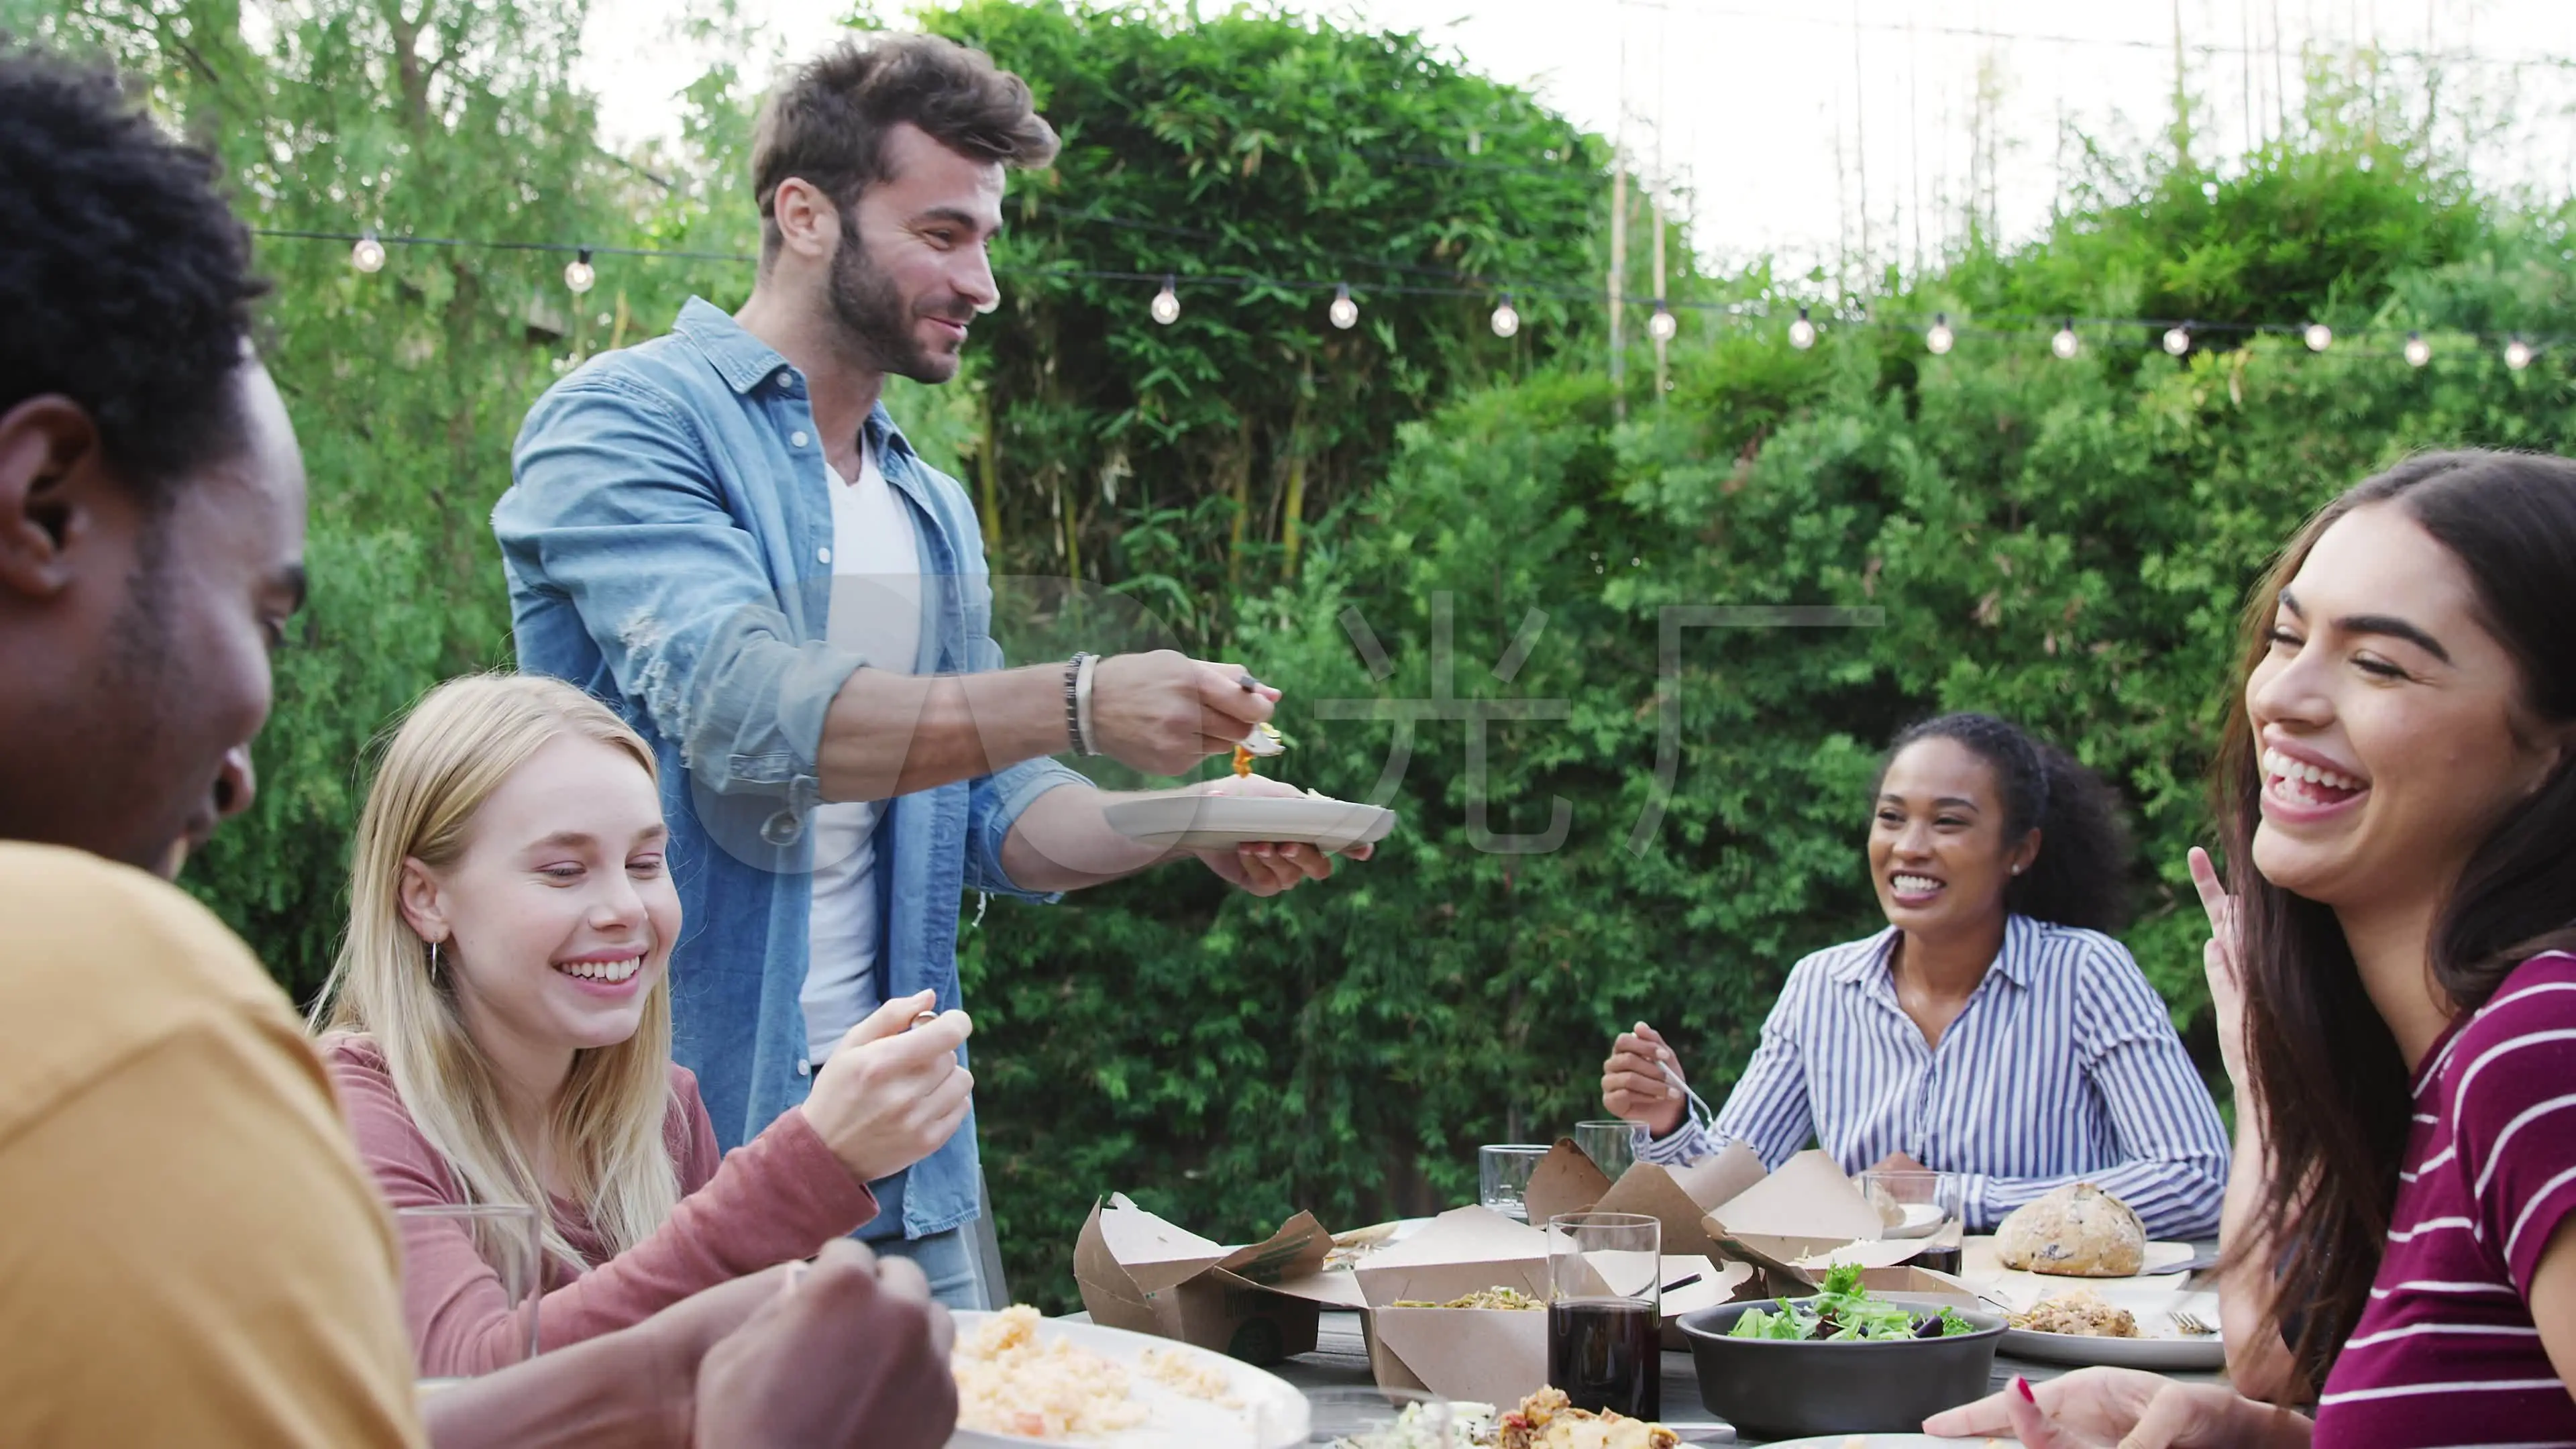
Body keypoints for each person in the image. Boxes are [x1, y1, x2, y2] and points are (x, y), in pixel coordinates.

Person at [0, 46, 952, 1447]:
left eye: (641, 860)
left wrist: (655, 1378)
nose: (242, 766)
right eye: (260, 608)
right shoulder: (111, 1005)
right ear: (44, 507)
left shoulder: (656, 1109)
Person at [496, 32, 1367, 1305]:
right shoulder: (626, 422)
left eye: (990, 237)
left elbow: (995, 820)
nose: (986, 280)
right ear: (805, 215)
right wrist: (1080, 697)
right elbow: (753, 716)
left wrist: (1194, 818)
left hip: (904, 1159)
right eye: (945, 233)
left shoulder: (926, 507)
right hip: (665, 1162)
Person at [1928, 450, 2576, 1447]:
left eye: (2379, 663)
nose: (2283, 698)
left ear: (2551, 751)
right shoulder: (2442, 1075)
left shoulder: (2541, 1050)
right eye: (2287, 637)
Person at [313, 673, 985, 1375]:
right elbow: (465, 1384)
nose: (625, 908)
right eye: (565, 870)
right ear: (425, 898)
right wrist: (807, 1167)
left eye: (643, 863)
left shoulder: (665, 1114)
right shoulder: (350, 1112)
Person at [1600, 712, 2229, 1238]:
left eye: (1949, 822)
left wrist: (1950, 1197)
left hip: (2045, 1340)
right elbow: (1732, 1192)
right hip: (1869, 1334)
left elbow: (2197, 1180)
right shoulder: (1821, 987)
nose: (1910, 846)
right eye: (1892, 818)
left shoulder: (2087, 975)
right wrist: (1671, 1121)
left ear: (2020, 851)